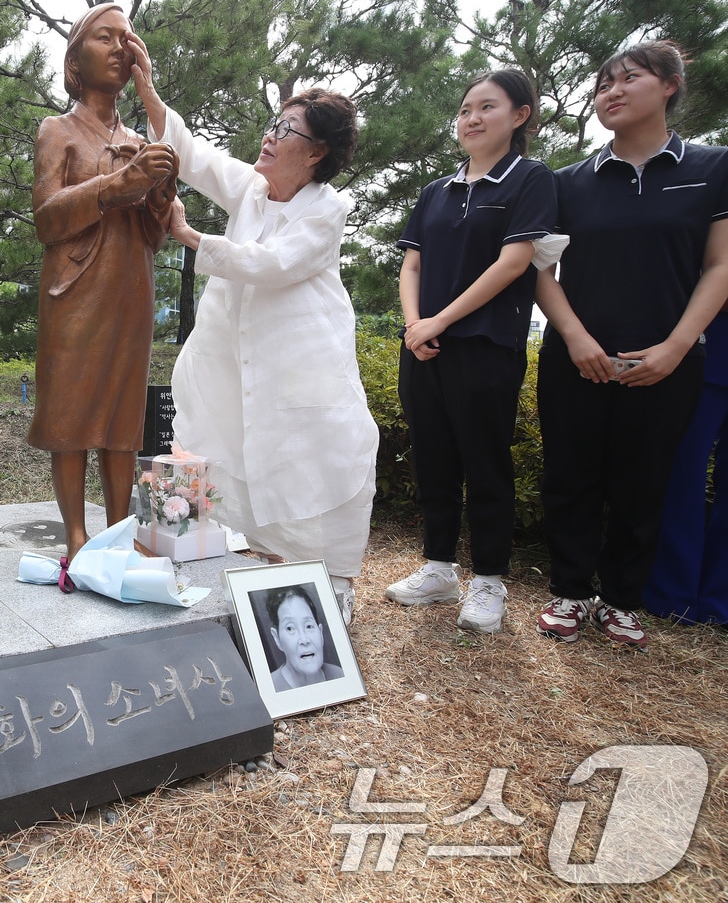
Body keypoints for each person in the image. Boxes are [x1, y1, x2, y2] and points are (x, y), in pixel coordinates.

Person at [128, 33, 377, 624]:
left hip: (301, 351)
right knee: (227, 439)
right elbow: (192, 155)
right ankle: (245, 556)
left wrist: (191, 237)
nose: (269, 137)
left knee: (313, 454)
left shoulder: (326, 207)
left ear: (316, 152)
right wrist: (148, 89)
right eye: (274, 124)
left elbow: (275, 264)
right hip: (230, 346)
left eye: (285, 131)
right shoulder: (252, 190)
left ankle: (334, 577)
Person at [534, 41, 728, 650]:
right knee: (570, 478)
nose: (610, 92)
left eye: (629, 79)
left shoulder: (713, 167)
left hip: (667, 362)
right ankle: (568, 593)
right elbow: (539, 269)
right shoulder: (567, 183)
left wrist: (676, 347)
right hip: (576, 357)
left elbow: (719, 267)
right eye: (602, 85)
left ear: (669, 86)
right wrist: (575, 337)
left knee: (645, 484)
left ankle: (622, 601)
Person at [384, 70, 557, 635]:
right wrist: (415, 326)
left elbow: (514, 263)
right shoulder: (437, 190)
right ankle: (438, 568)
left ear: (520, 115)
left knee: (485, 463)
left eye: (487, 107)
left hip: (485, 343)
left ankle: (489, 580)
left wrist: (440, 319)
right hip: (423, 347)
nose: (472, 119)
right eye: (464, 110)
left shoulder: (530, 179)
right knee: (432, 458)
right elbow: (411, 263)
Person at [28, 3, 178, 563]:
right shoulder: (57, 131)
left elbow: (152, 236)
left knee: (122, 421)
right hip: (74, 295)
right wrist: (118, 184)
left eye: (128, 39)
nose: (120, 47)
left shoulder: (140, 140)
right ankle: (76, 534)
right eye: (104, 37)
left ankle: (120, 530)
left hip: (129, 293)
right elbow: (46, 219)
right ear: (75, 58)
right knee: (69, 416)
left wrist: (159, 198)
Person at [643, 311, 728, 623]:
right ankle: (673, 596)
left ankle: (718, 604)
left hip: (703, 341)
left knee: (683, 476)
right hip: (704, 343)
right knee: (682, 476)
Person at [257, 586, 342, 692]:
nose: (304, 640)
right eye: (290, 628)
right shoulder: (268, 689)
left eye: (309, 626)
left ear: (320, 632)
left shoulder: (339, 675)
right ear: (277, 638)